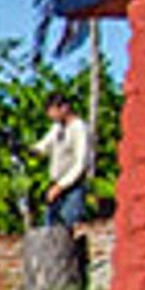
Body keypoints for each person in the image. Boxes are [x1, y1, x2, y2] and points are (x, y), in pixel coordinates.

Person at [37, 94, 93, 231]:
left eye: (54, 112)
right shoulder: (57, 127)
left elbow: (81, 164)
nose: (52, 117)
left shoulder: (80, 128)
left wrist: (60, 187)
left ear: (64, 108)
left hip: (73, 187)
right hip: (56, 185)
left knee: (68, 229)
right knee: (51, 230)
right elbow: (44, 145)